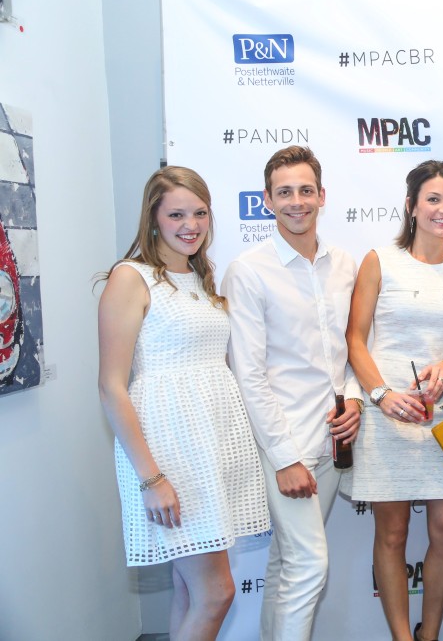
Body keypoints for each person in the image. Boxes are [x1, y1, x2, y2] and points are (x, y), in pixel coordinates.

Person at [97, 166, 269, 640]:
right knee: (216, 593)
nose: (190, 225)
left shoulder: (199, 276)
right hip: (168, 452)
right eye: (176, 214)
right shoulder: (130, 278)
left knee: (190, 591)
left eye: (200, 213)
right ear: (153, 218)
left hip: (211, 447)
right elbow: (111, 387)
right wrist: (151, 478)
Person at [222, 146, 362, 641]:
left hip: (332, 441)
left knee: (287, 563)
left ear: (322, 195)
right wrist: (284, 459)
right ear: (267, 200)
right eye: (284, 192)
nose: (296, 201)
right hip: (283, 443)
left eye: (305, 190)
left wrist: (354, 398)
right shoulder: (248, 270)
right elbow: (248, 373)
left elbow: (349, 348)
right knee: (308, 565)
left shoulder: (343, 264)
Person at [343, 160, 443, 641]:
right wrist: (381, 395)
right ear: (411, 206)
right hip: (388, 418)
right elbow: (355, 339)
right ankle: (402, 637)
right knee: (393, 533)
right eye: (433, 199)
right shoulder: (380, 260)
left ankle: (430, 633)